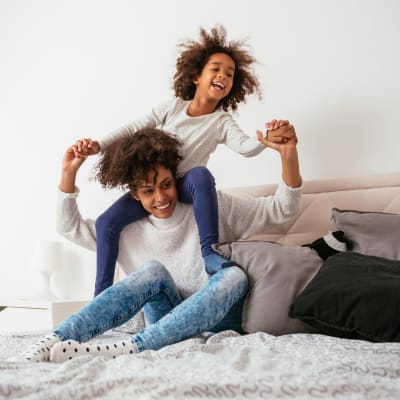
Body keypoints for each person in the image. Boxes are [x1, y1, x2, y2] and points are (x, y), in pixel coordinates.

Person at [19, 123, 301, 363]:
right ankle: (53, 340)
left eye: (166, 184)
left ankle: (131, 347)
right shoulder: (127, 230)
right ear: (134, 195)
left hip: (220, 319)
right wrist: (69, 173)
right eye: (148, 191)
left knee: (235, 275)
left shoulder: (212, 208)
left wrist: (288, 156)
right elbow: (68, 228)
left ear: (175, 180)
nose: (161, 197)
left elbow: (281, 211)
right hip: (163, 319)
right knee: (152, 270)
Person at [76, 25, 292, 296]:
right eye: (216, 69)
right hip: (157, 185)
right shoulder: (172, 107)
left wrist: (264, 140)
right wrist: (98, 145)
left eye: (229, 74)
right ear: (196, 76)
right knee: (106, 223)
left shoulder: (221, 121)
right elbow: (134, 127)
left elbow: (245, 147)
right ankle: (102, 294)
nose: (223, 76)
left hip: (185, 187)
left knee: (201, 175)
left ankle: (209, 252)